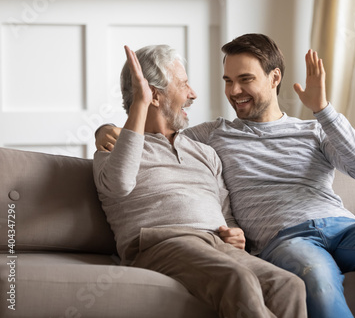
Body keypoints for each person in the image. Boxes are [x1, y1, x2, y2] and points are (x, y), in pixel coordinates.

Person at [96, 34, 355, 318]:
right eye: (227, 80)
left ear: (274, 78)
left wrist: (323, 109)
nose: (232, 90)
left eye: (245, 79)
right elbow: (141, 149)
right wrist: (110, 127)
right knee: (307, 276)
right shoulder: (214, 135)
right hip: (275, 239)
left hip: (335, 224)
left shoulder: (307, 130)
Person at [93, 44, 307, 318]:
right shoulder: (114, 151)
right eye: (183, 85)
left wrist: (234, 233)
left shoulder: (204, 151)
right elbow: (119, 184)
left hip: (215, 243)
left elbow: (226, 213)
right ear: (154, 96)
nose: (193, 94)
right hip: (162, 244)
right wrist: (139, 103)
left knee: (288, 285)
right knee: (237, 279)